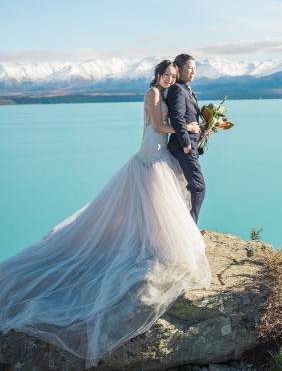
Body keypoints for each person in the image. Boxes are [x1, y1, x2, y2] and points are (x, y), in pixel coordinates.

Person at [0, 60, 211, 369]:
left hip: (160, 157)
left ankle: (152, 241)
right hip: (150, 158)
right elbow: (156, 127)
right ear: (158, 74)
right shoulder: (154, 94)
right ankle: (150, 244)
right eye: (166, 75)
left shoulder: (164, 93)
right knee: (152, 203)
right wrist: (190, 127)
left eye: (172, 76)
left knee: (156, 207)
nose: (169, 79)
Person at [166, 54, 206, 224]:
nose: (193, 72)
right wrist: (186, 144)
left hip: (190, 145)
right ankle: (190, 229)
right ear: (179, 69)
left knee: (185, 188)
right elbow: (177, 118)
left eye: (195, 69)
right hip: (183, 147)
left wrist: (201, 130)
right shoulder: (177, 89)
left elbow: (189, 118)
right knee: (198, 187)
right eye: (190, 68)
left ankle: (182, 227)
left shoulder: (187, 89)